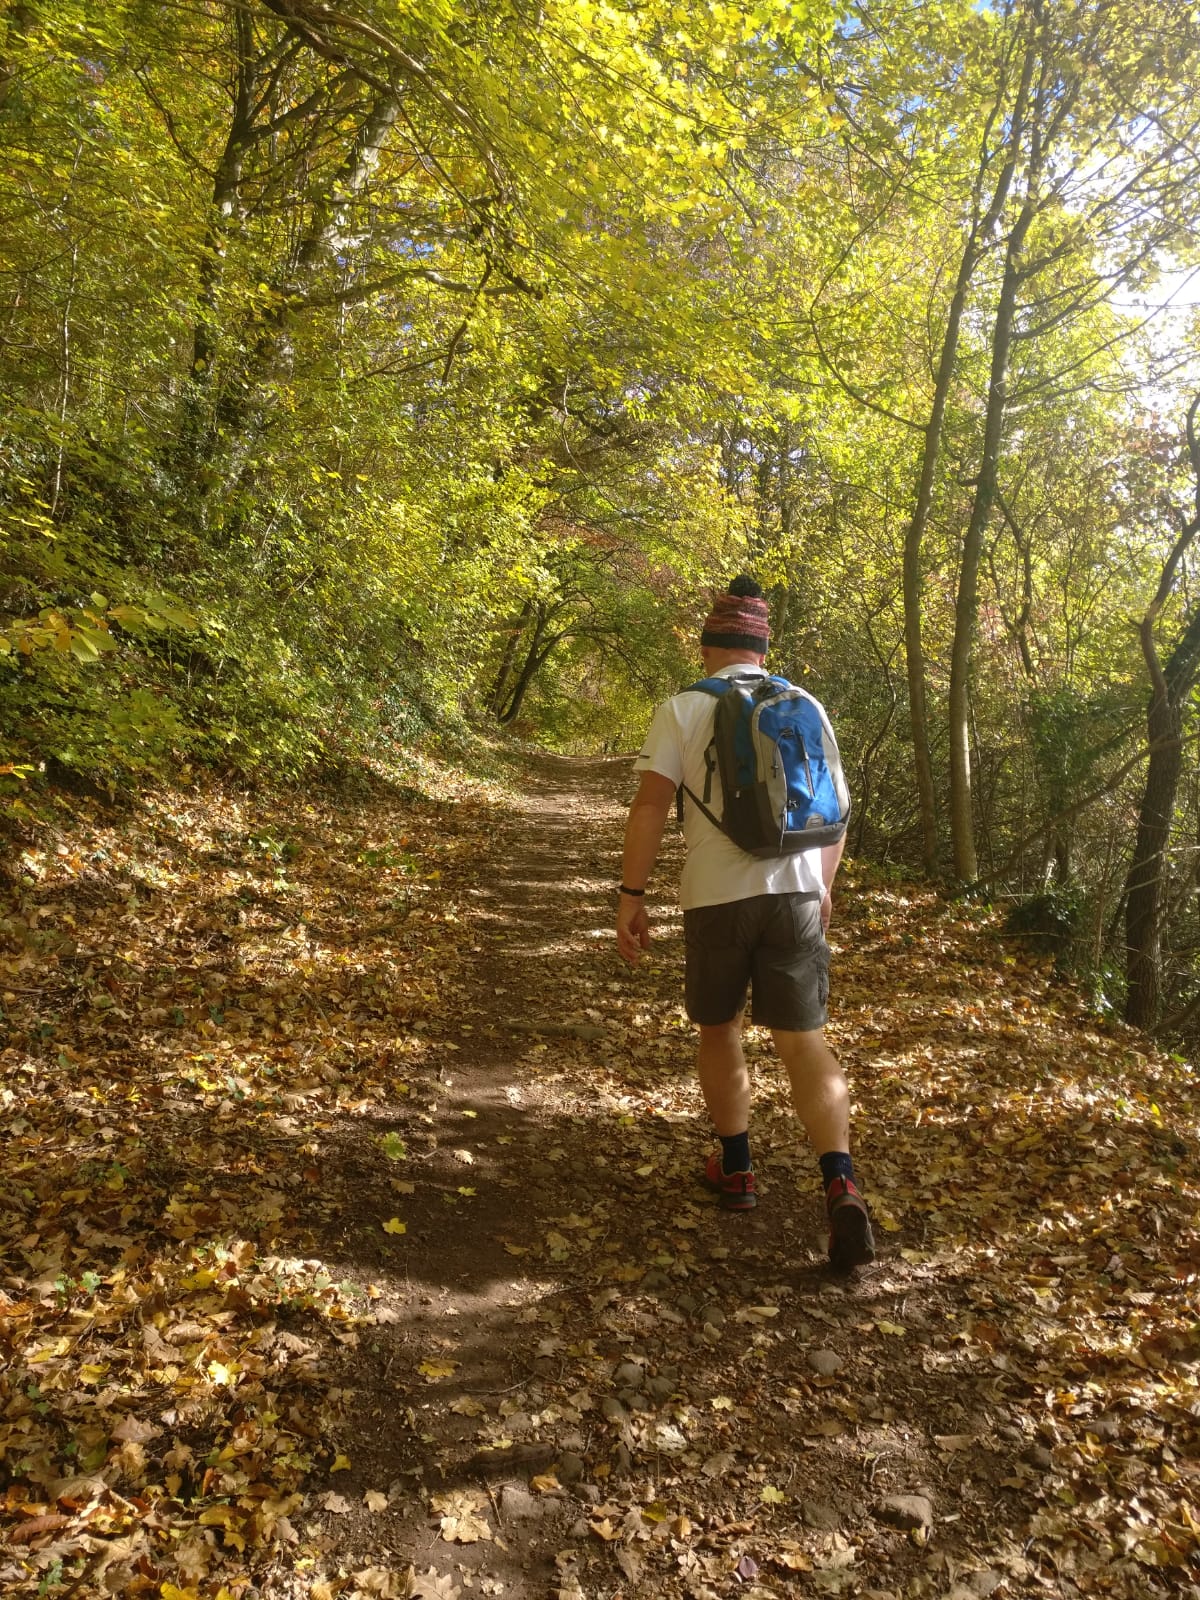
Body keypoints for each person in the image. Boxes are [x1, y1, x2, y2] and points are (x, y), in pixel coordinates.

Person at [615, 576, 874, 1271]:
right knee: (804, 1041)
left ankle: (736, 1169)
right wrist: (822, 889)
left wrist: (631, 895)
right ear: (764, 649)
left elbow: (650, 807)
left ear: (708, 647)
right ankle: (840, 1181)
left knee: (720, 1028)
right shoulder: (807, 706)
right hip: (796, 893)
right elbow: (836, 813)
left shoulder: (683, 708)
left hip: (716, 895)